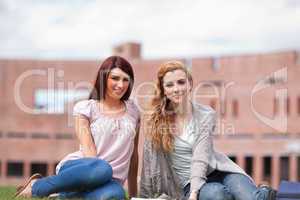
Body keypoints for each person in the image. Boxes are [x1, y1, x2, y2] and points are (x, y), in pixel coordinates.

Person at [139, 61, 276, 200]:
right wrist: (143, 196)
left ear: (190, 84)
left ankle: (263, 193)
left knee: (252, 198)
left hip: (220, 171)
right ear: (163, 90)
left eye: (181, 82)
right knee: (219, 195)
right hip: (187, 184)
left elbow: (201, 156)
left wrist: (194, 195)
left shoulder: (206, 114)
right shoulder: (155, 121)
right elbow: (149, 163)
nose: (176, 89)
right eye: (169, 85)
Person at [15, 56, 140, 200]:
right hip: (82, 170)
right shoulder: (86, 108)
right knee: (103, 168)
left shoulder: (134, 111)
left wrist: (133, 196)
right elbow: (89, 152)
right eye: (115, 78)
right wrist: (98, 176)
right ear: (104, 78)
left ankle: (65, 195)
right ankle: (37, 186)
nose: (121, 84)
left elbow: (133, 155)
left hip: (111, 182)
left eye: (125, 79)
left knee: (115, 195)